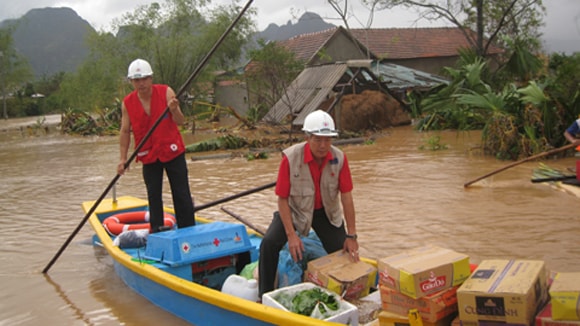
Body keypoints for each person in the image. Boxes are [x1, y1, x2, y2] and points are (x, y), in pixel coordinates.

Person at [258, 110, 359, 298]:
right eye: (317, 139)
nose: (323, 145)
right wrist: (291, 235)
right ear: (307, 137)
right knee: (269, 244)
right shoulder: (290, 158)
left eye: (327, 140)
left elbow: (346, 197)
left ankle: (346, 293)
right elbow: (282, 199)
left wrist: (351, 235)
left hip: (326, 212)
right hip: (295, 210)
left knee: (342, 251)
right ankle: (264, 295)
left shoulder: (340, 159)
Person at [117, 58, 195, 232]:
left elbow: (181, 122)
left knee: (181, 193)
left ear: (151, 78)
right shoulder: (127, 103)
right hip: (148, 155)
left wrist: (174, 109)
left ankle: (188, 230)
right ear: (131, 82)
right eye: (137, 80)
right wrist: (123, 159)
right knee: (153, 196)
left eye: (144, 79)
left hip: (172, 151)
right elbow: (124, 131)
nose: (141, 83)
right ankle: (157, 230)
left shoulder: (166, 92)